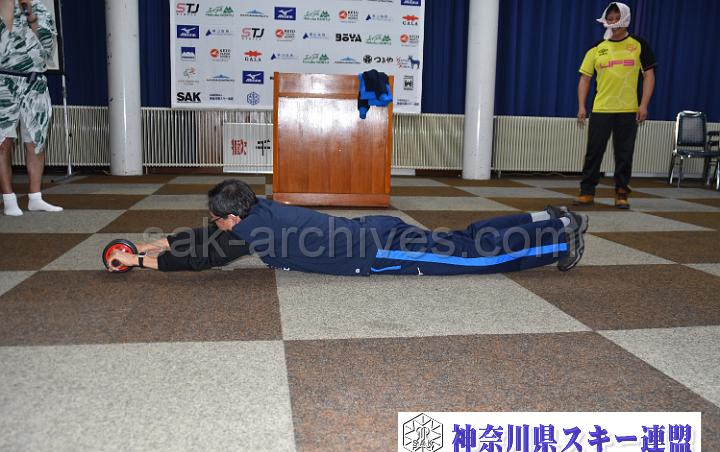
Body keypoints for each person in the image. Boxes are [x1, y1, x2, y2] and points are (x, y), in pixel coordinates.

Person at [107, 179, 589, 275]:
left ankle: (555, 245)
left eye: (219, 218)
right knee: (465, 236)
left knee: (473, 257)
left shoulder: (255, 232)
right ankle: (549, 219)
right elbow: (203, 238)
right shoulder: (259, 209)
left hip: (380, 250)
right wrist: (152, 244)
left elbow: (203, 256)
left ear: (234, 217)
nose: (216, 225)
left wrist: (138, 261)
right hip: (374, 230)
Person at [575, 2, 656, 209]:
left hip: (628, 110)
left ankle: (621, 193)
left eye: (617, 18)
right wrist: (582, 106)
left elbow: (649, 76)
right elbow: (585, 78)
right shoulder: (597, 48)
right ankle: (587, 192)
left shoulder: (639, 45)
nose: (613, 23)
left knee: (624, 154)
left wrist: (643, 105)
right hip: (601, 109)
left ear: (626, 19)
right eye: (609, 19)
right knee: (594, 152)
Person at [0, 0, 62, 216]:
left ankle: (35, 197)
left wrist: (30, 14)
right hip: (3, 83)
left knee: (36, 141)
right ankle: (9, 199)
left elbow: (48, 46)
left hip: (35, 83)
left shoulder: (37, 8)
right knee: (2, 142)